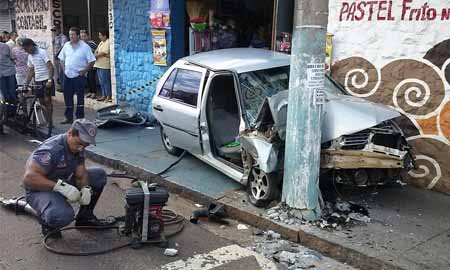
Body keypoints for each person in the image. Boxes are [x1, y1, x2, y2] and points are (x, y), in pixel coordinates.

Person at [24, 119, 110, 237]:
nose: (81, 148)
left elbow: (80, 174)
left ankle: (85, 217)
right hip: (39, 190)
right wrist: (60, 187)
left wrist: (86, 188)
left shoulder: (78, 147)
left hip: (62, 181)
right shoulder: (51, 150)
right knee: (62, 215)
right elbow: (29, 178)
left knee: (98, 175)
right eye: (79, 144)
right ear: (70, 133)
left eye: (85, 145)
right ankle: (48, 223)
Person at [58, 27, 96, 124]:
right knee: (67, 97)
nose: (71, 37)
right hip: (67, 76)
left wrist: (84, 70)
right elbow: (61, 58)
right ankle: (68, 117)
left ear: (78, 35)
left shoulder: (85, 47)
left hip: (79, 77)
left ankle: (80, 118)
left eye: (73, 35)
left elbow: (92, 60)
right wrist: (64, 69)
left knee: (80, 98)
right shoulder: (66, 45)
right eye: (70, 35)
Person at [23, 38, 55, 128]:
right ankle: (46, 120)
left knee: (47, 101)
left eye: (26, 49)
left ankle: (50, 122)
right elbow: (30, 71)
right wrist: (26, 84)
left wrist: (50, 80)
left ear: (31, 46)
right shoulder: (30, 56)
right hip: (38, 80)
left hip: (46, 80)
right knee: (41, 102)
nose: (26, 51)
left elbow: (50, 67)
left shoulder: (42, 52)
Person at [94, 29, 112, 102]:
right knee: (101, 81)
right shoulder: (101, 42)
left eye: (100, 35)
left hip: (105, 65)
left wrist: (95, 56)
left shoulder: (108, 42)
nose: (99, 37)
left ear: (105, 36)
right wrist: (95, 54)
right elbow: (97, 51)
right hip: (99, 64)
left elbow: (104, 53)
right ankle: (104, 95)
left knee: (106, 81)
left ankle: (108, 95)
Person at [80, 29, 98, 99]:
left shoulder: (91, 43)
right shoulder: (82, 45)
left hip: (93, 63)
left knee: (91, 78)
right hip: (86, 64)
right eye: (81, 36)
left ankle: (94, 92)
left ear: (88, 36)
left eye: (84, 36)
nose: (83, 38)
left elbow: (96, 52)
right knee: (88, 78)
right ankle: (90, 91)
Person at [0, 42, 16, 115]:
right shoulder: (5, 46)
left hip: (9, 72)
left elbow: (12, 58)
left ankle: (12, 112)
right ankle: (7, 112)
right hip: (2, 74)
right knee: (5, 94)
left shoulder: (5, 46)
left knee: (11, 93)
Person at [51, 26, 68, 91]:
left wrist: (57, 54)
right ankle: (61, 86)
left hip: (61, 58)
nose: (54, 32)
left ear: (59, 30)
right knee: (58, 73)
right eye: (53, 31)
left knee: (62, 72)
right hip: (56, 57)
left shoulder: (63, 37)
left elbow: (63, 47)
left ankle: (64, 87)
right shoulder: (55, 37)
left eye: (55, 30)